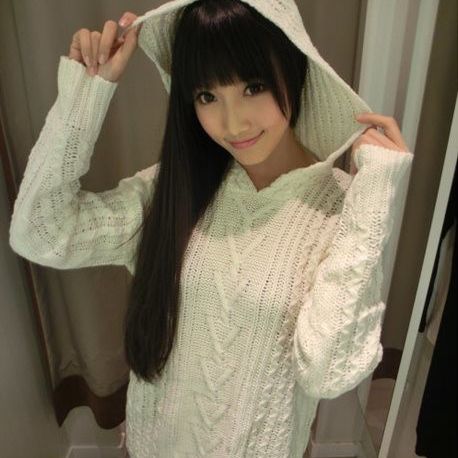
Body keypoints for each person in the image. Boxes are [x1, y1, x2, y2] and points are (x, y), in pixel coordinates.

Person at [8, 0, 414, 456]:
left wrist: (373, 197)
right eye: (207, 96)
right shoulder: (173, 191)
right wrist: (84, 97)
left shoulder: (342, 212)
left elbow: (327, 372)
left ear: (294, 74)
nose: (233, 122)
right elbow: (40, 232)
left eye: (254, 87)